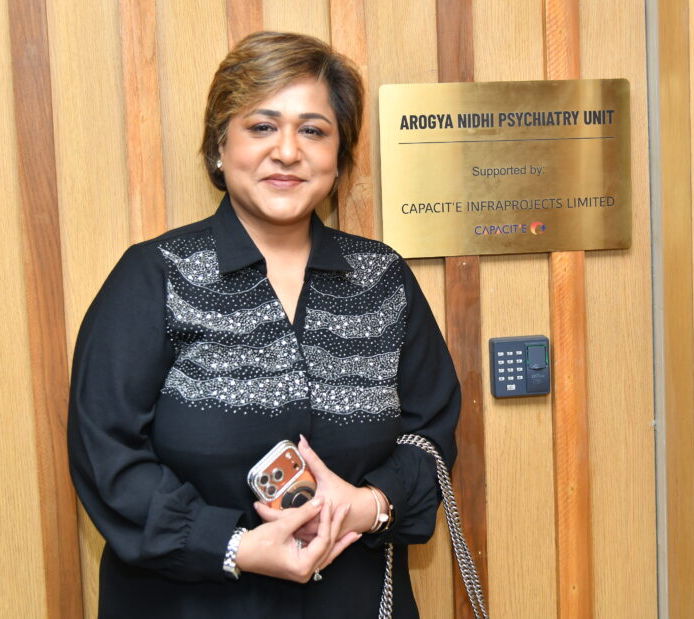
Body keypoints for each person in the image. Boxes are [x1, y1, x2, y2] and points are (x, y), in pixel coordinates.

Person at [68, 31, 461, 618]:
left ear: (339, 157)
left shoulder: (382, 280)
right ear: (219, 147)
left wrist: (367, 505)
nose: (287, 152)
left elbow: (430, 434)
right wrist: (233, 547)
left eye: (313, 130)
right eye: (261, 127)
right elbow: (106, 455)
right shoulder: (156, 276)